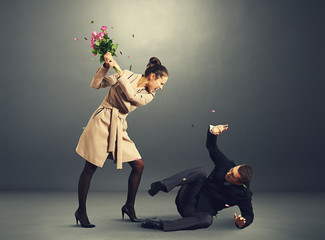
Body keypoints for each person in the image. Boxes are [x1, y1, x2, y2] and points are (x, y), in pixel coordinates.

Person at [74, 52, 168, 228]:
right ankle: (81, 211)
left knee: (138, 165)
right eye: (161, 83)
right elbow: (96, 85)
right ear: (153, 76)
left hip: (118, 127)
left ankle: (129, 206)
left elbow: (132, 96)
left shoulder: (149, 95)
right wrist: (106, 67)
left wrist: (119, 70)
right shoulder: (128, 75)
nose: (161, 87)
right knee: (90, 167)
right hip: (101, 121)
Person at [141, 124, 254, 231]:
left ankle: (160, 225)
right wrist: (212, 133)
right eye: (231, 170)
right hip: (188, 196)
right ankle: (162, 185)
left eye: (232, 176)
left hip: (196, 212)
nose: (228, 173)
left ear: (239, 183)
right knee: (201, 171)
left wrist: (242, 223)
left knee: (207, 221)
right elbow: (212, 147)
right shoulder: (226, 165)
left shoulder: (244, 194)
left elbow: (249, 215)